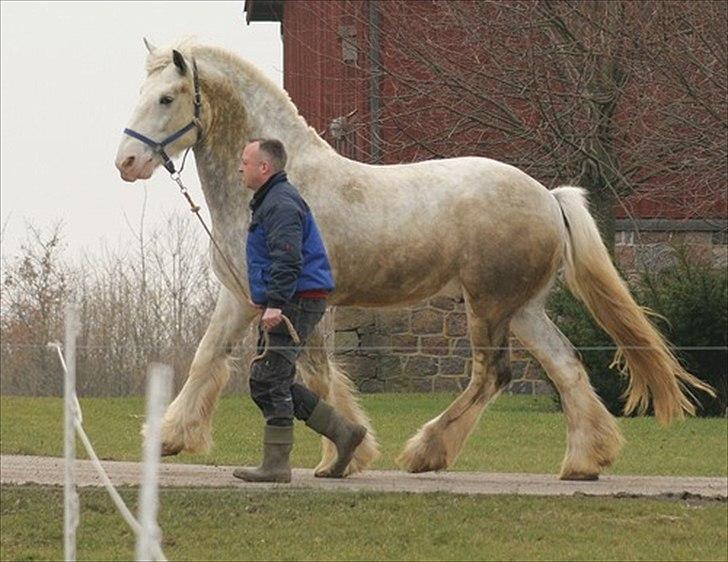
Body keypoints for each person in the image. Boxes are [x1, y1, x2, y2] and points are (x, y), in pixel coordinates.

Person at [233, 138, 367, 483]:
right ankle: (343, 432)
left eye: (245, 161)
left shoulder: (279, 204)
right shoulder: (272, 201)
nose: (240, 167)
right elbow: (276, 256)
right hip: (291, 298)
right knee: (267, 380)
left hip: (296, 300)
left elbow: (289, 257)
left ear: (264, 167)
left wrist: (276, 302)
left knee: (270, 380)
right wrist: (263, 296)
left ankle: (277, 465)